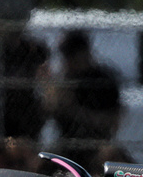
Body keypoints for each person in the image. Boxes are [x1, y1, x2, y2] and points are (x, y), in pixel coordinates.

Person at [46, 29, 122, 168]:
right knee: (41, 162)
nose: (68, 61)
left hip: (96, 145)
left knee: (112, 155)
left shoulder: (102, 80)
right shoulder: (64, 80)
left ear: (84, 54)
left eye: (71, 56)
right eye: (66, 57)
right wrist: (50, 92)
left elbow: (113, 121)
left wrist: (75, 110)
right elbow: (49, 112)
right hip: (67, 146)